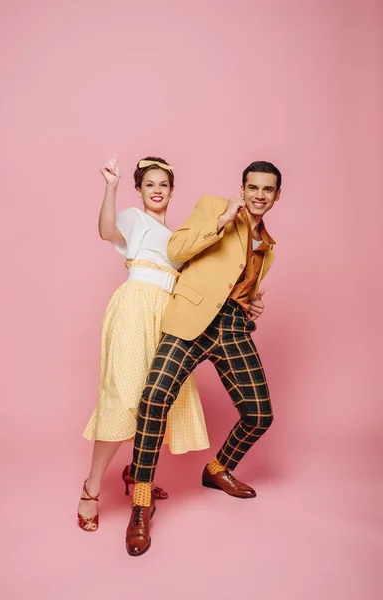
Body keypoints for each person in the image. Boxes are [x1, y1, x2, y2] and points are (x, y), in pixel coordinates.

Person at [125, 160, 281, 556]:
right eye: (253, 187)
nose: (259, 195)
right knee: (154, 400)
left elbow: (237, 282)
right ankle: (142, 503)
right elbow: (177, 248)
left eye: (267, 190)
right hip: (192, 320)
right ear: (242, 189)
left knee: (259, 413)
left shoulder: (270, 246)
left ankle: (217, 470)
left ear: (277, 196)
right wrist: (224, 219)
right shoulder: (215, 207)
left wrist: (252, 305)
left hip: (231, 328)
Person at [78, 155, 210, 532]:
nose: (156, 190)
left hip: (168, 316)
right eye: (149, 184)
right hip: (135, 306)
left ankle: (138, 472)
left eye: (163, 185)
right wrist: (111, 187)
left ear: (172, 191)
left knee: (156, 399)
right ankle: (90, 489)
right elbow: (106, 232)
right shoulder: (134, 220)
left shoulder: (179, 238)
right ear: (140, 190)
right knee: (123, 398)